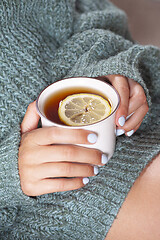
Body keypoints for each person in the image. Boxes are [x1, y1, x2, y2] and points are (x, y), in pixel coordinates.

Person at [0, 0, 160, 239]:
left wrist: (111, 66)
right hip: (30, 204)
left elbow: (91, 13)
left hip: (125, 117)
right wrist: (6, 175)